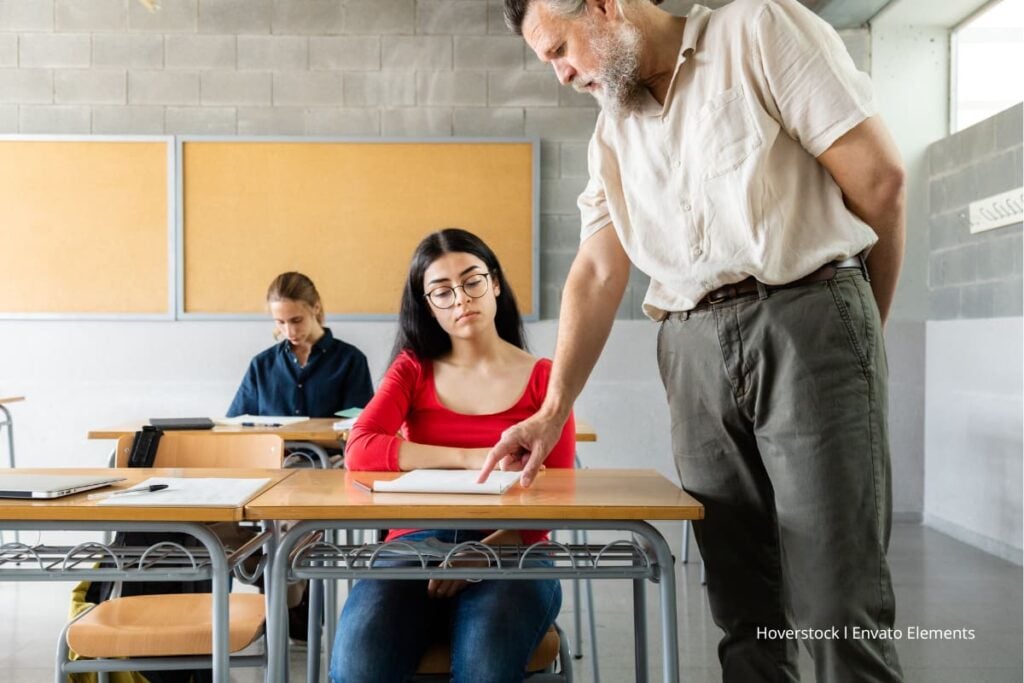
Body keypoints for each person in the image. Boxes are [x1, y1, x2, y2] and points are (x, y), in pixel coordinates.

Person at [484, 1, 906, 681]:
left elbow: (880, 182)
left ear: (603, 8)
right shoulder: (611, 134)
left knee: (836, 602)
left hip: (805, 315)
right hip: (689, 348)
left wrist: (859, 338)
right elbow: (596, 271)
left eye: (560, 49)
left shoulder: (755, 32)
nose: (560, 75)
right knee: (743, 606)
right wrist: (552, 407)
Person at [330, 228, 574, 683]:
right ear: (426, 305)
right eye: (441, 291)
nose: (460, 299)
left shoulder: (545, 380)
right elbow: (361, 448)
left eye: (472, 281)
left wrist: (484, 551)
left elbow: (558, 492)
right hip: (412, 544)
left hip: (514, 547)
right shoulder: (413, 368)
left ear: (495, 283)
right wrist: (470, 457)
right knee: (359, 664)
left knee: (485, 664)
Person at [227, 271, 373, 419]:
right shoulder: (261, 365)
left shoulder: (351, 361)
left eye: (296, 320)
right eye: (280, 322)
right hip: (273, 443)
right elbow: (236, 426)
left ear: (316, 307)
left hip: (329, 443)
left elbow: (359, 427)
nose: (289, 332)